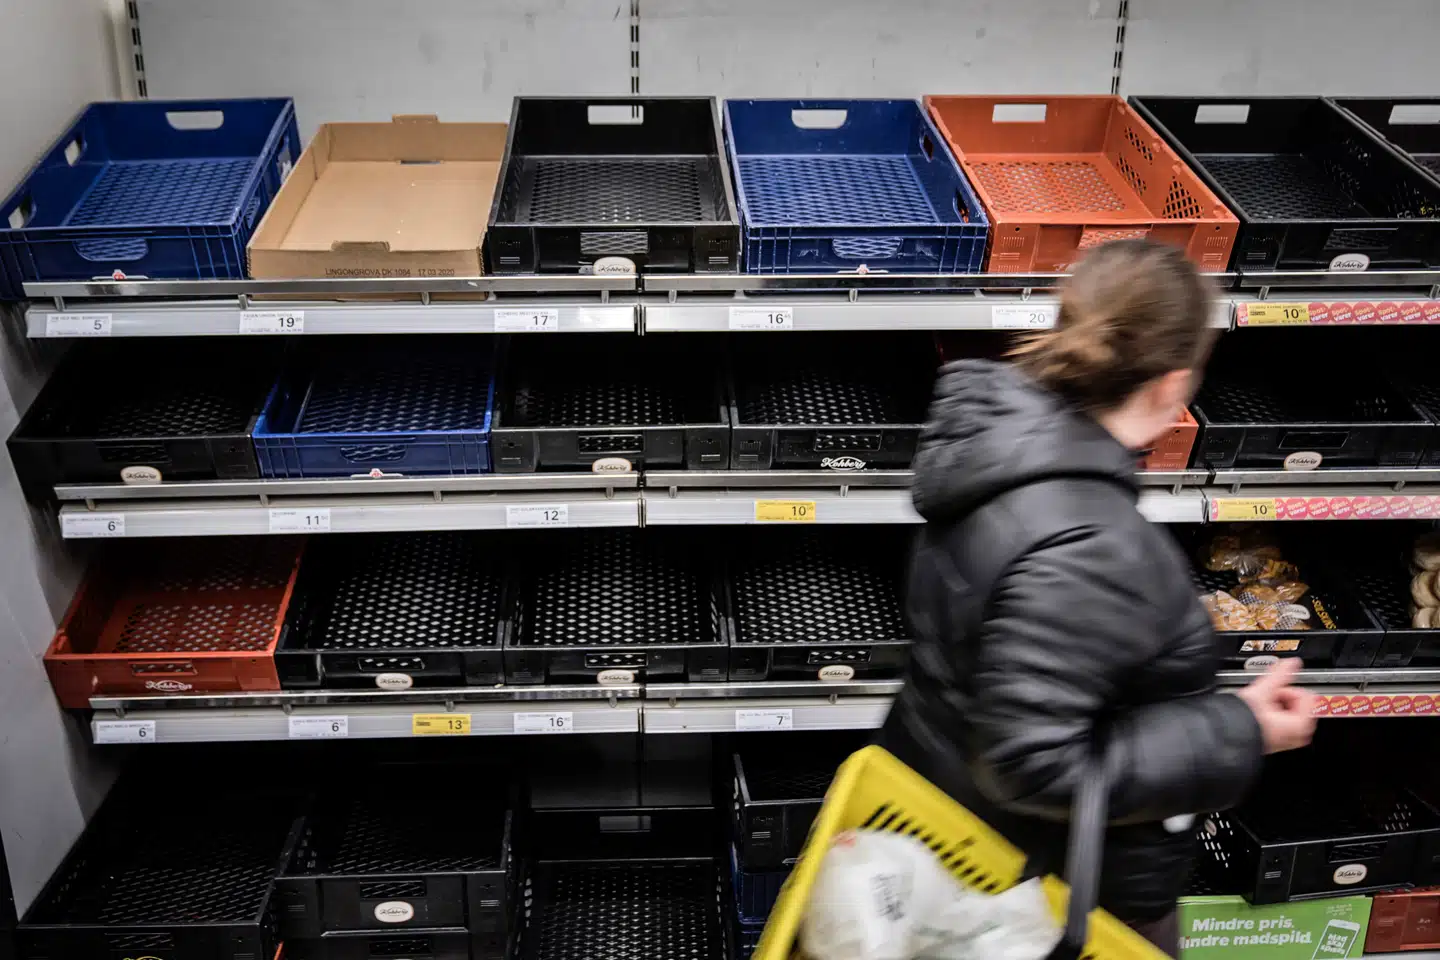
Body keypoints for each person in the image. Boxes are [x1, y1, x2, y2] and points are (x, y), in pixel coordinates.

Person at [877, 239, 1316, 956]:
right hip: (1044, 891)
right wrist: (1241, 730)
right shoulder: (1092, 548)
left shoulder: (993, 450)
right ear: (1173, 387)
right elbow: (1033, 764)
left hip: (948, 822)